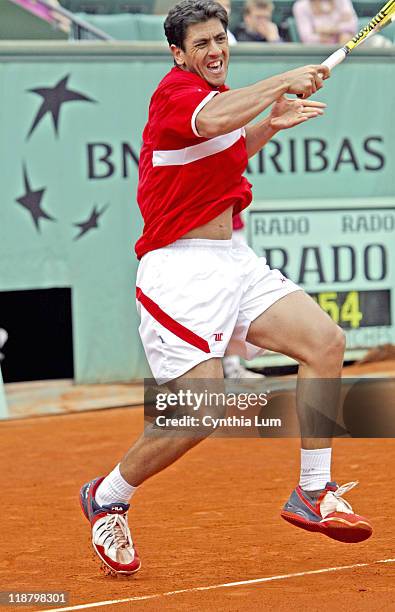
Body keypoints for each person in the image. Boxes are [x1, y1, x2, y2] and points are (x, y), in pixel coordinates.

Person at [80, 0, 372, 576]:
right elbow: (211, 123)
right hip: (179, 269)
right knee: (202, 411)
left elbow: (220, 152)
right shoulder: (175, 95)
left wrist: (267, 125)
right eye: (201, 45)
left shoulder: (219, 102)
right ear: (178, 54)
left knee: (325, 343)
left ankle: (313, 491)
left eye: (220, 38)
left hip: (233, 261)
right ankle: (108, 495)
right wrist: (283, 81)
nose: (215, 51)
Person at [293, 0, 357, 45]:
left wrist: (326, 30)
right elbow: (307, 38)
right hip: (318, 52)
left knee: (345, 36)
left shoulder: (342, 1)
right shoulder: (301, 6)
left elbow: (352, 26)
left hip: (343, 48)